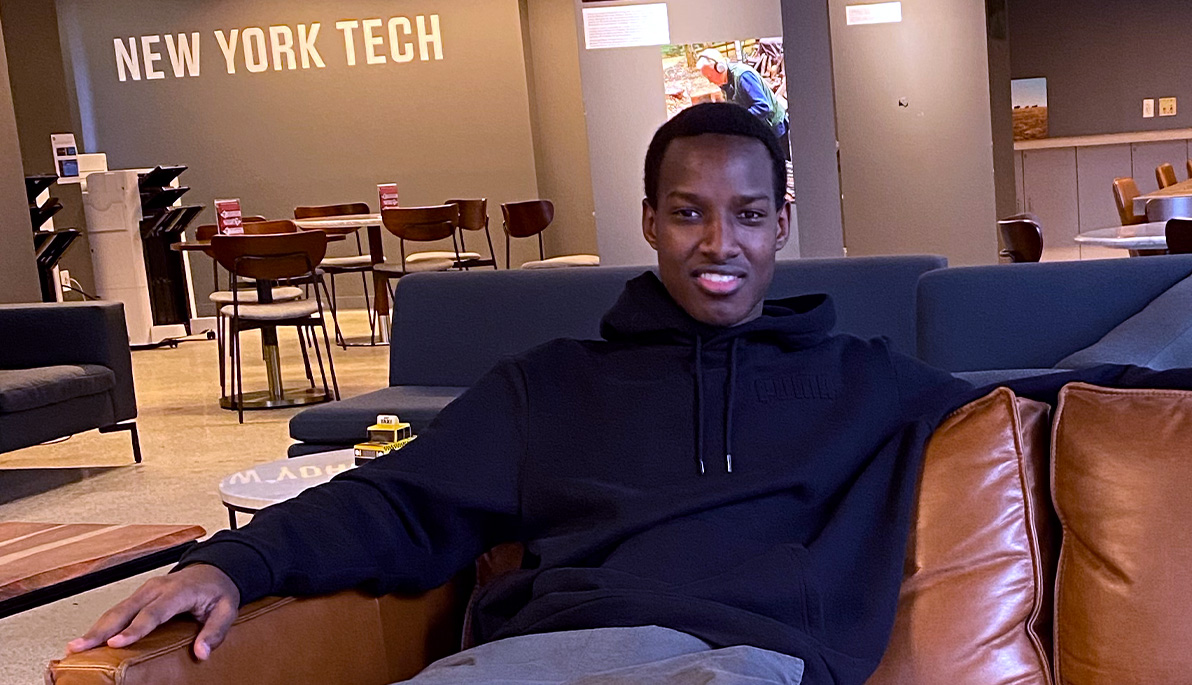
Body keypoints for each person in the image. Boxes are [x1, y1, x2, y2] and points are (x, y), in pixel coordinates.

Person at [68, 103, 973, 684]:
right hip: (530, 656)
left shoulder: (863, 379)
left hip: (732, 662)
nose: (718, 243)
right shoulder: (550, 384)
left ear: (780, 225)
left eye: (747, 215)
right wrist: (233, 562)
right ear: (650, 221)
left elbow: (1040, 403)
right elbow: (397, 498)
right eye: (687, 212)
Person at [696, 48, 790, 161]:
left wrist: (738, 120)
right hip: (759, 130)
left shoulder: (744, 76)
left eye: (710, 76)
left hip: (774, 129)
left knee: (779, 165)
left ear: (720, 68)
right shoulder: (726, 83)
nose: (710, 81)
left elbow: (763, 107)